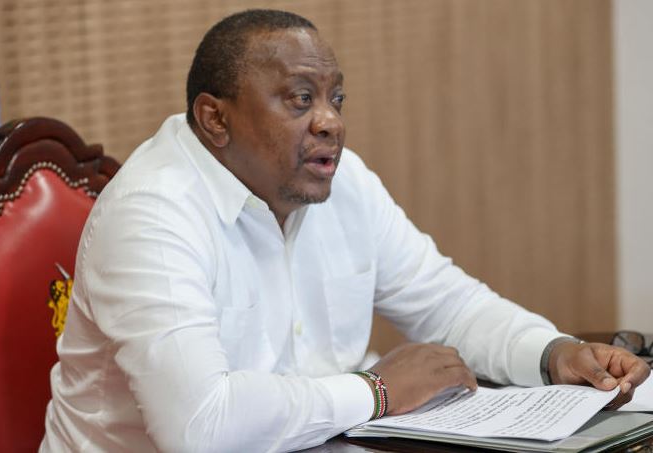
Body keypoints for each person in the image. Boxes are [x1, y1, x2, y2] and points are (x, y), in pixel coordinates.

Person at [41, 9, 650, 453]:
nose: (330, 122)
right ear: (214, 119)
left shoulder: (343, 181)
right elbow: (201, 425)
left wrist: (552, 353)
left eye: (336, 98)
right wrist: (376, 390)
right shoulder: (153, 212)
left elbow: (448, 305)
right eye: (300, 99)